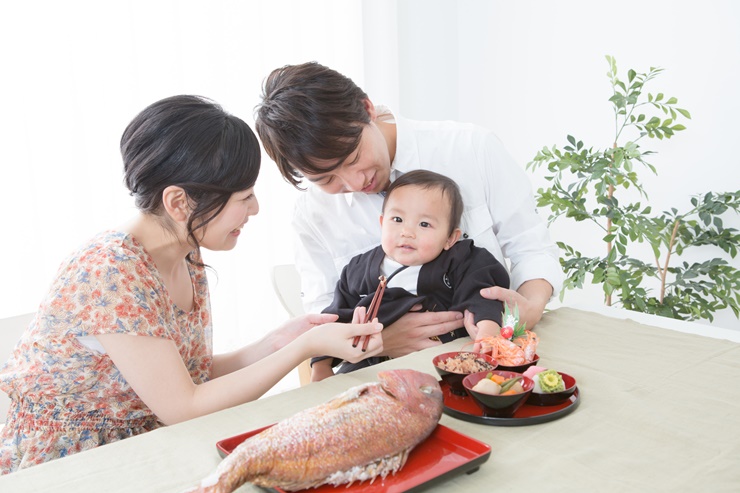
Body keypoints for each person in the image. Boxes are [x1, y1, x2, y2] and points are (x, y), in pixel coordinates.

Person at [0, 95, 383, 475]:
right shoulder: (110, 271)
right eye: (244, 197)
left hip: (143, 443)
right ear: (179, 202)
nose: (255, 209)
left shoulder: (184, 253)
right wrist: (304, 347)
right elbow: (184, 407)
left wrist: (280, 340)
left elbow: (189, 375)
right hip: (69, 466)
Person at [255, 61, 563, 360]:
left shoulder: (469, 148)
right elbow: (323, 318)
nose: (354, 181)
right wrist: (380, 342)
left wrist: (530, 308)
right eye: (325, 179)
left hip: (489, 356)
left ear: (366, 109)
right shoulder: (313, 216)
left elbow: (531, 248)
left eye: (352, 157)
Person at [311, 170, 510, 381]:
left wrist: (488, 326)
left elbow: (481, 292)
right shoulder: (357, 270)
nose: (407, 232)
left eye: (424, 224)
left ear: (450, 238)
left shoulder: (461, 260)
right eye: (397, 219)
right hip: (371, 368)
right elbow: (334, 318)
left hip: (443, 364)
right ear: (382, 223)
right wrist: (321, 364)